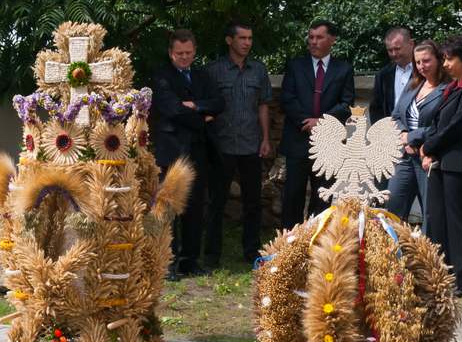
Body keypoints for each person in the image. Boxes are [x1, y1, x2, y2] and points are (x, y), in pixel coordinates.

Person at [150, 29, 226, 277]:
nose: (184, 57)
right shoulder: (161, 76)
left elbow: (219, 103)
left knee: (195, 207)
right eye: (179, 53)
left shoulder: (203, 76)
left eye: (188, 53)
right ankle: (169, 263)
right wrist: (203, 117)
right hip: (171, 150)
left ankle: (190, 261)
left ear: (194, 52)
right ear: (171, 53)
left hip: (198, 150)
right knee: (170, 206)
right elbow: (171, 108)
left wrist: (196, 106)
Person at [420, 34, 462, 296]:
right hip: (439, 162)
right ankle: (441, 276)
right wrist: (428, 150)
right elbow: (438, 122)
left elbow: (457, 126)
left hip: (458, 163)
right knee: (437, 219)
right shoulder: (452, 88)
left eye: (449, 58)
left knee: (458, 220)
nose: (444, 64)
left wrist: (430, 146)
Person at [203, 21, 273, 269]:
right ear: (229, 40)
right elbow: (206, 106)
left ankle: (251, 251)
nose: (247, 43)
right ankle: (211, 255)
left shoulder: (259, 70)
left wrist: (265, 138)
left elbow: (264, 104)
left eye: (250, 38)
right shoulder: (213, 70)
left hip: (251, 144)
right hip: (221, 145)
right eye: (242, 38)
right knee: (216, 202)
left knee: (253, 202)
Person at [279, 20, 356, 228]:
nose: (313, 41)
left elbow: (346, 103)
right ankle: (289, 243)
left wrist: (320, 122)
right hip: (298, 138)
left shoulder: (344, 69)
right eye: (311, 37)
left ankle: (318, 242)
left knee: (322, 197)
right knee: (292, 195)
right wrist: (305, 121)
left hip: (328, 143)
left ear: (332, 39)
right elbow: (287, 97)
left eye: (319, 37)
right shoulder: (296, 65)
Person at [385, 40, 447, 223]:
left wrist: (412, 137)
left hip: (429, 157)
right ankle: (393, 250)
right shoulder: (414, 84)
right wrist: (404, 136)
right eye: (418, 62)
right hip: (405, 157)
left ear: (438, 60)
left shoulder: (447, 89)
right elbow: (395, 116)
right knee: (393, 208)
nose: (421, 66)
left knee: (430, 213)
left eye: (426, 61)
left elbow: (443, 125)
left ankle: (430, 250)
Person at [370, 27, 415, 125]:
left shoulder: (424, 72)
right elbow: (375, 109)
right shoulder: (383, 75)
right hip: (390, 134)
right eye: (390, 50)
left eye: (397, 49)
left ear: (411, 44)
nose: (394, 54)